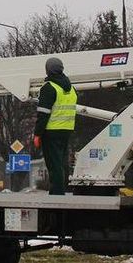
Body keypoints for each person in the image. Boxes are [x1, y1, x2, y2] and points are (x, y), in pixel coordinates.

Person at [33, 56, 77, 195]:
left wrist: (37, 134)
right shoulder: (71, 88)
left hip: (51, 131)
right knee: (62, 162)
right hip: (67, 130)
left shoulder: (49, 88)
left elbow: (43, 114)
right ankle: (62, 189)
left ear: (48, 70)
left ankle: (57, 193)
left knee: (54, 164)